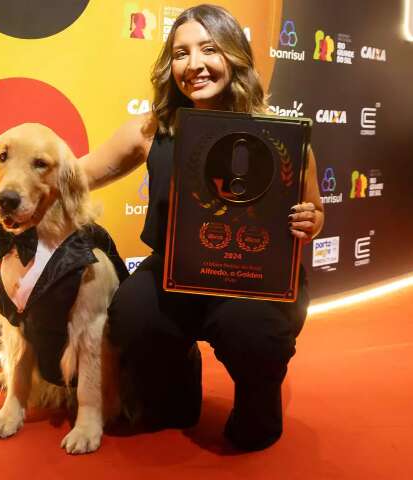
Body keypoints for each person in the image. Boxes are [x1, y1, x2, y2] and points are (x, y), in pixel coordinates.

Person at [81, 4, 324, 451]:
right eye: (180, 53)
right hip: (176, 272)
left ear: (234, 54)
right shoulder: (152, 130)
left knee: (251, 327)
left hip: (253, 277)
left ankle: (257, 405)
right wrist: (23, 163)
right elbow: (78, 174)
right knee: (133, 313)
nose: (193, 65)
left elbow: (314, 207)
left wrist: (311, 221)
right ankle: (177, 383)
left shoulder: (281, 135)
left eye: (208, 49)